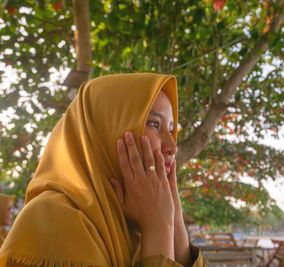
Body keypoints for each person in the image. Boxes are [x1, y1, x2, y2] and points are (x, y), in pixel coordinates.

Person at [0, 73, 206, 266]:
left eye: (171, 129)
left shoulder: (132, 221)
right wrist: (159, 227)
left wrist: (174, 220)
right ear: (105, 131)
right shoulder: (51, 220)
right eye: (154, 124)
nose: (172, 146)